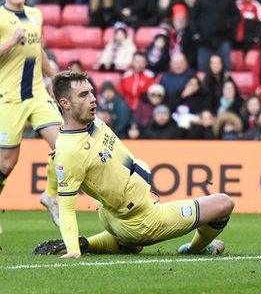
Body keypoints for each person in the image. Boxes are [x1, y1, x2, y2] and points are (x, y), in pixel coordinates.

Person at [33, 71, 234, 257]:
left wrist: (63, 147)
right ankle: (195, 249)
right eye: (83, 95)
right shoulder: (71, 153)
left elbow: (72, 138)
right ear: (65, 104)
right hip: (140, 221)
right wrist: (73, 251)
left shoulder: (87, 124)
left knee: (133, 246)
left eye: (91, 92)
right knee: (224, 203)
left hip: (116, 217)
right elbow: (67, 208)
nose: (93, 98)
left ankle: (91, 243)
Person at [0, 0, 62, 227]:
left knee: (66, 146)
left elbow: (39, 50)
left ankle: (50, 195)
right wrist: (11, 42)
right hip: (9, 98)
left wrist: (55, 78)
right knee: (6, 163)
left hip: (37, 94)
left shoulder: (36, 15)